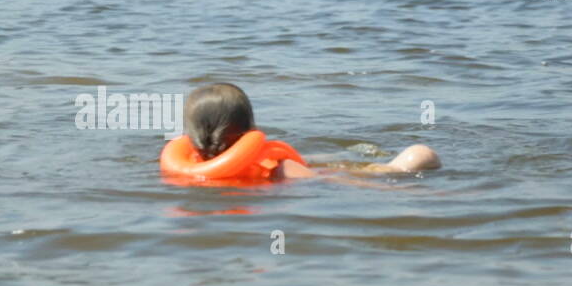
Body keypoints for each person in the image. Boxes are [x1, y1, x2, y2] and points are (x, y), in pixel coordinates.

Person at [162, 83, 440, 183]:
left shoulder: (184, 171)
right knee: (419, 155)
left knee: (329, 164)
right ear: (251, 128)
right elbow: (319, 181)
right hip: (309, 174)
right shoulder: (280, 169)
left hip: (312, 173)